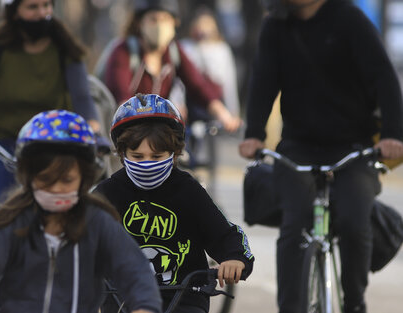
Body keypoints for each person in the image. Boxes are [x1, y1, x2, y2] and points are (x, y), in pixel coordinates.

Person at [238, 1, 403, 313]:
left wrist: (394, 134)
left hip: (353, 146)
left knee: (355, 221)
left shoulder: (349, 19)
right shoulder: (276, 25)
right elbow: (263, 81)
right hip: (299, 145)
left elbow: (384, 77)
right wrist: (254, 133)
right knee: (293, 226)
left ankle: (354, 302)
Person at [0, 110, 162, 313]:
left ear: (84, 178)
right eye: (46, 180)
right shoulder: (13, 222)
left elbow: (135, 272)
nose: (57, 189)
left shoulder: (97, 222)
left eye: (67, 180)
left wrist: (145, 306)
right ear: (28, 177)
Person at [0, 0, 101, 237]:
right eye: (32, 7)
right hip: (0, 143)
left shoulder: (66, 49)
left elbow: (83, 101)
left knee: (53, 219)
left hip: (50, 146)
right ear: (14, 12)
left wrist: (95, 133)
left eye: (46, 6)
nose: (42, 13)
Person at [94, 94, 254, 313]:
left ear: (174, 152)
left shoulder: (189, 191)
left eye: (156, 156)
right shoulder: (107, 193)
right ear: (122, 154)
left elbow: (225, 234)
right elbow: (78, 233)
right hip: (123, 299)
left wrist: (235, 258)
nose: (147, 164)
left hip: (185, 299)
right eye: (138, 156)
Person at [100, 0, 241, 132]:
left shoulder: (174, 52)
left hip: (154, 132)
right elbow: (122, 97)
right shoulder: (123, 51)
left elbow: (198, 86)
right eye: (153, 19)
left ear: (174, 23)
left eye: (165, 19)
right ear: (140, 23)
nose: (159, 25)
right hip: (121, 130)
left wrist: (223, 114)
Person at [180, 7, 241, 118]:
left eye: (207, 24)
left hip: (216, 101)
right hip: (192, 102)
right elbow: (180, 79)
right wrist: (179, 103)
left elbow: (229, 82)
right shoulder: (185, 46)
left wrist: (233, 110)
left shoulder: (222, 49)